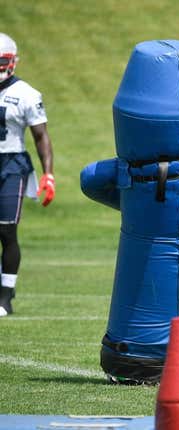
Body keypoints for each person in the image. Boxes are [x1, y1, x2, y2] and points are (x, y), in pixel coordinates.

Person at [0, 33, 55, 317]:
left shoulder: (26, 94)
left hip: (11, 165)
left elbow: (41, 136)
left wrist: (49, 175)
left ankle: (5, 296)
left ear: (13, 61)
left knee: (6, 230)